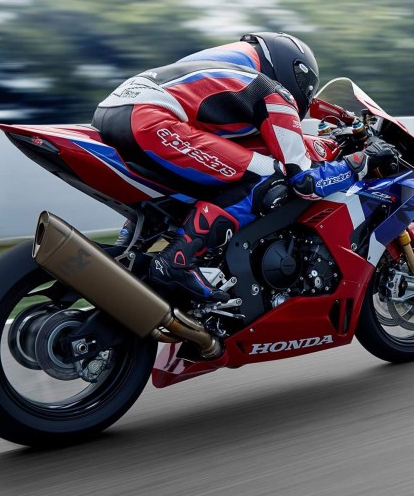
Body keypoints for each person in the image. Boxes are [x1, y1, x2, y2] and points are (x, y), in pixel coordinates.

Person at [92, 32, 368, 303]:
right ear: (296, 72)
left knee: (210, 179)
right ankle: (176, 262)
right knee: (270, 176)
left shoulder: (222, 70)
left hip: (111, 112)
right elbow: (304, 182)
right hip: (149, 119)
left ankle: (125, 250)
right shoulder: (271, 90)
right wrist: (359, 162)